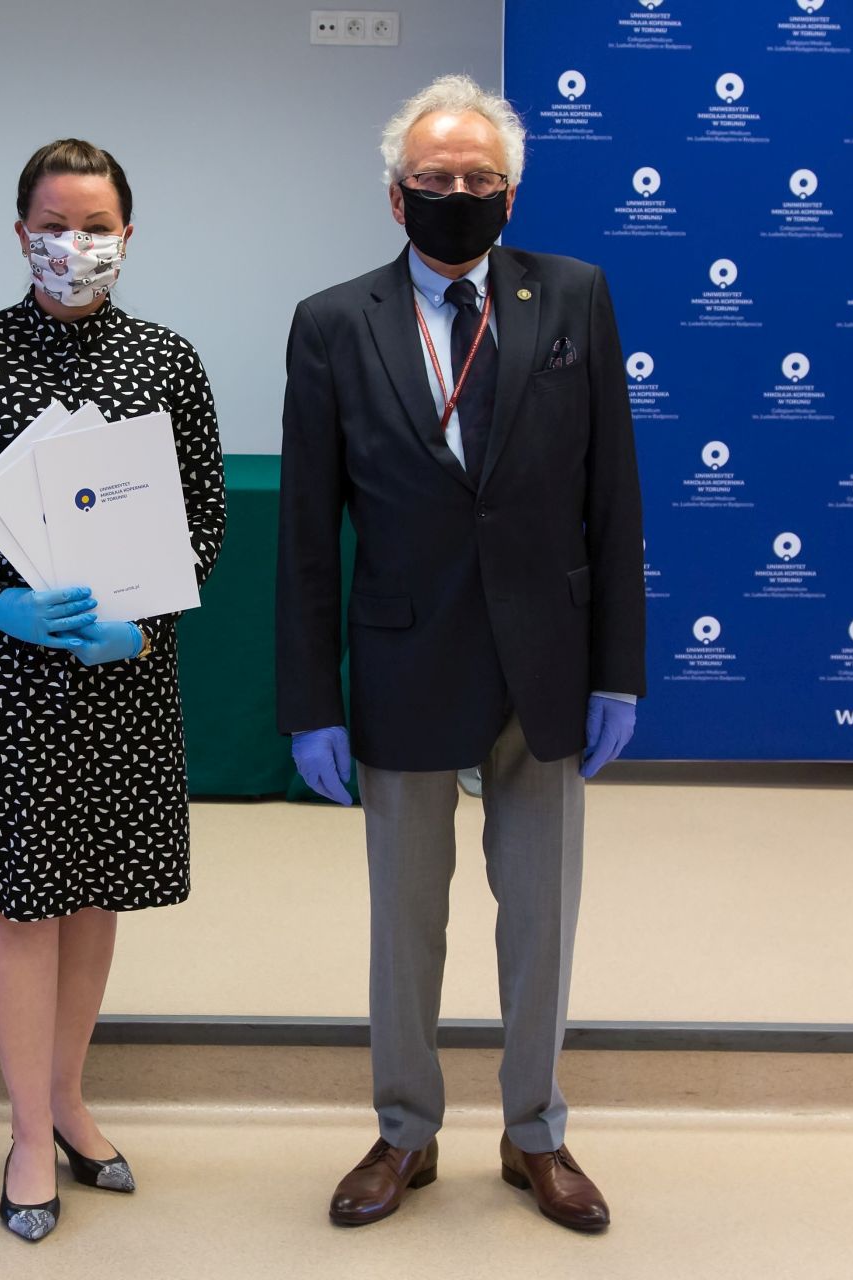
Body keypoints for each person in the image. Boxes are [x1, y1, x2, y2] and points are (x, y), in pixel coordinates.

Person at [275, 75, 644, 1234]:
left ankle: (536, 1130)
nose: (458, 192)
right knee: (406, 920)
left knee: (540, 917)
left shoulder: (575, 296)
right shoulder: (333, 322)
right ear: (397, 197)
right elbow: (306, 530)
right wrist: (310, 698)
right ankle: (404, 1127)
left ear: (511, 192)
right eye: (434, 178)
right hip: (403, 658)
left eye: (479, 177)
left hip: (547, 661)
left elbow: (613, 496)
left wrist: (619, 668)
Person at [0, 138, 226, 1242]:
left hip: (120, 675)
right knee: (22, 898)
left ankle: (72, 1095)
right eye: (52, 225)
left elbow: (207, 518)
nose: (73, 245)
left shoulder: (167, 359)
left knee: (95, 894)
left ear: (129, 236)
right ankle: (28, 1131)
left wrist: (148, 623)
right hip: (2, 674)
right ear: (19, 232)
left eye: (95, 227)